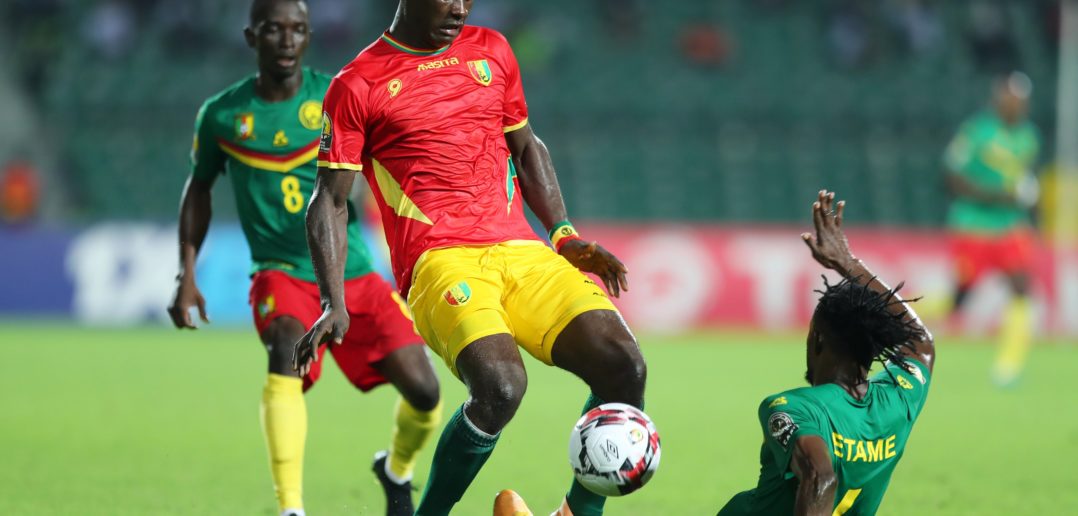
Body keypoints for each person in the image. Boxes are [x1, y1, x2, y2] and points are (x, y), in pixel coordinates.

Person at [294, 1, 648, 514]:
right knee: (501, 387)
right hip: (440, 259)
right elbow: (328, 200)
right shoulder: (357, 84)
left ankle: (576, 512)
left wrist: (564, 235)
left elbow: (526, 148)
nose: (460, 8)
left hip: (521, 250)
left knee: (625, 367)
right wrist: (333, 300)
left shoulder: (492, 50)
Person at [166, 2, 441, 515]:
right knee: (284, 348)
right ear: (252, 37)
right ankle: (291, 508)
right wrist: (187, 271)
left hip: (352, 270)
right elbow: (198, 188)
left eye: (298, 30)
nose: (287, 40)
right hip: (281, 272)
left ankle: (396, 469)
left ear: (310, 37)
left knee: (426, 393)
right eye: (274, 29)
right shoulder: (222, 116)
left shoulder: (336, 96)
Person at [718, 191, 936, 515]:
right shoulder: (898, 401)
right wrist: (849, 263)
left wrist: (845, 263)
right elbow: (920, 342)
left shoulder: (793, 408)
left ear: (816, 339)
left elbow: (821, 476)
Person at [944, 71, 1040, 386]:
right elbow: (952, 178)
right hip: (973, 225)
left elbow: (1023, 181)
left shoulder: (1029, 137)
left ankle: (1009, 366)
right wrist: (998, 196)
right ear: (999, 99)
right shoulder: (976, 132)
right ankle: (894, 309)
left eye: (1021, 100)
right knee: (959, 298)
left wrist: (1026, 197)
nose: (1016, 105)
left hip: (1010, 225)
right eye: (1011, 99)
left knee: (1021, 286)